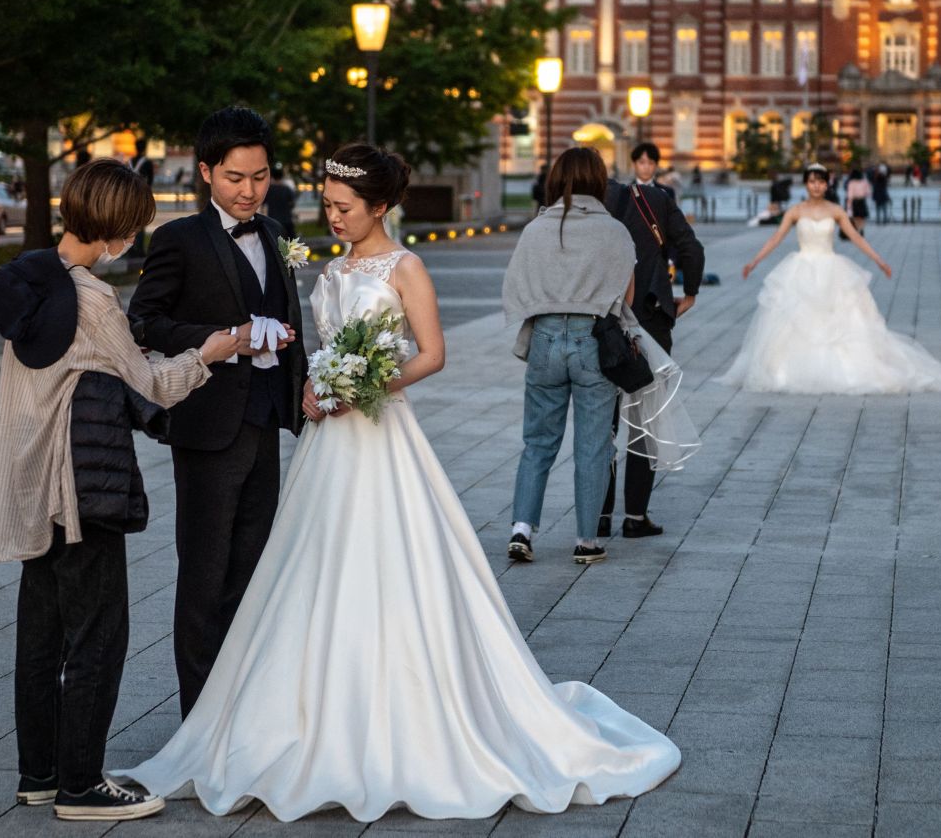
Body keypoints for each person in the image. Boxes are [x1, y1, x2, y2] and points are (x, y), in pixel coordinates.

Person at [114, 143, 680, 821]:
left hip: (383, 433)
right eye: (327, 206)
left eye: (344, 208)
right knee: (308, 570)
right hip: (329, 442)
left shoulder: (405, 266)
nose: (334, 218)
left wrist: (369, 383)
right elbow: (314, 345)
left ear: (379, 206)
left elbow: (433, 354)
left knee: (392, 563)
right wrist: (316, 391)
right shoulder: (331, 266)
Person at [0, 160, 242, 821]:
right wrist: (209, 354)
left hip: (30, 481)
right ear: (115, 228)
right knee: (99, 630)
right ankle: (81, 785)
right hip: (80, 488)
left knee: (40, 633)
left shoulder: (32, 280)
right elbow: (146, 386)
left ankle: (39, 775)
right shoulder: (92, 300)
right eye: (133, 228)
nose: (134, 242)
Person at [127, 106, 306, 718]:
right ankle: (198, 723)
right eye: (235, 177)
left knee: (252, 575)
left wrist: (304, 390)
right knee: (203, 579)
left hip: (266, 425)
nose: (250, 190)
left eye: (259, 176)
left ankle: (242, 714)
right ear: (206, 172)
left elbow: (292, 324)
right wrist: (224, 335)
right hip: (206, 433)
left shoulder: (280, 234)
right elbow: (143, 323)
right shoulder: (177, 239)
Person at [719, 164, 941, 394]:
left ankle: (847, 369)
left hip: (831, 268)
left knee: (843, 318)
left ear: (827, 185)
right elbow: (776, 238)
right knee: (793, 319)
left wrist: (879, 260)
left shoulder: (835, 211)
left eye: (820, 182)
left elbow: (856, 238)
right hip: (801, 268)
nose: (816, 186)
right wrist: (754, 261)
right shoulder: (795, 211)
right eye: (811, 182)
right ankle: (787, 370)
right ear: (805, 185)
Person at [503, 147, 637, 564]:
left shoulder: (535, 230)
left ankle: (522, 529)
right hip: (593, 339)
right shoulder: (614, 231)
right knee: (594, 446)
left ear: (556, 179)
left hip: (544, 336)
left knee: (538, 442)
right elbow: (625, 297)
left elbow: (514, 287)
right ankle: (586, 540)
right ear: (599, 180)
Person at [599, 142, 705, 540]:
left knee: (602, 420)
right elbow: (690, 248)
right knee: (644, 417)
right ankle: (636, 515)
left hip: (603, 320)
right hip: (650, 314)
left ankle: (600, 513)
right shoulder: (657, 199)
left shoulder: (596, 202)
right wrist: (690, 292)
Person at [262, 161, 297, 239]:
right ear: (282, 176)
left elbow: (263, 206)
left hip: (273, 223)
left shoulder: (268, 190)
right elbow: (292, 204)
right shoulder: (287, 189)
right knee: (290, 247)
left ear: (272, 176)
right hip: (287, 222)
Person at [844, 167, 871, 234]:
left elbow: (850, 194)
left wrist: (848, 203)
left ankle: (857, 228)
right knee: (862, 216)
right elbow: (868, 192)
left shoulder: (851, 183)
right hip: (862, 200)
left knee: (855, 216)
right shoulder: (864, 182)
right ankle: (861, 228)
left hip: (854, 201)